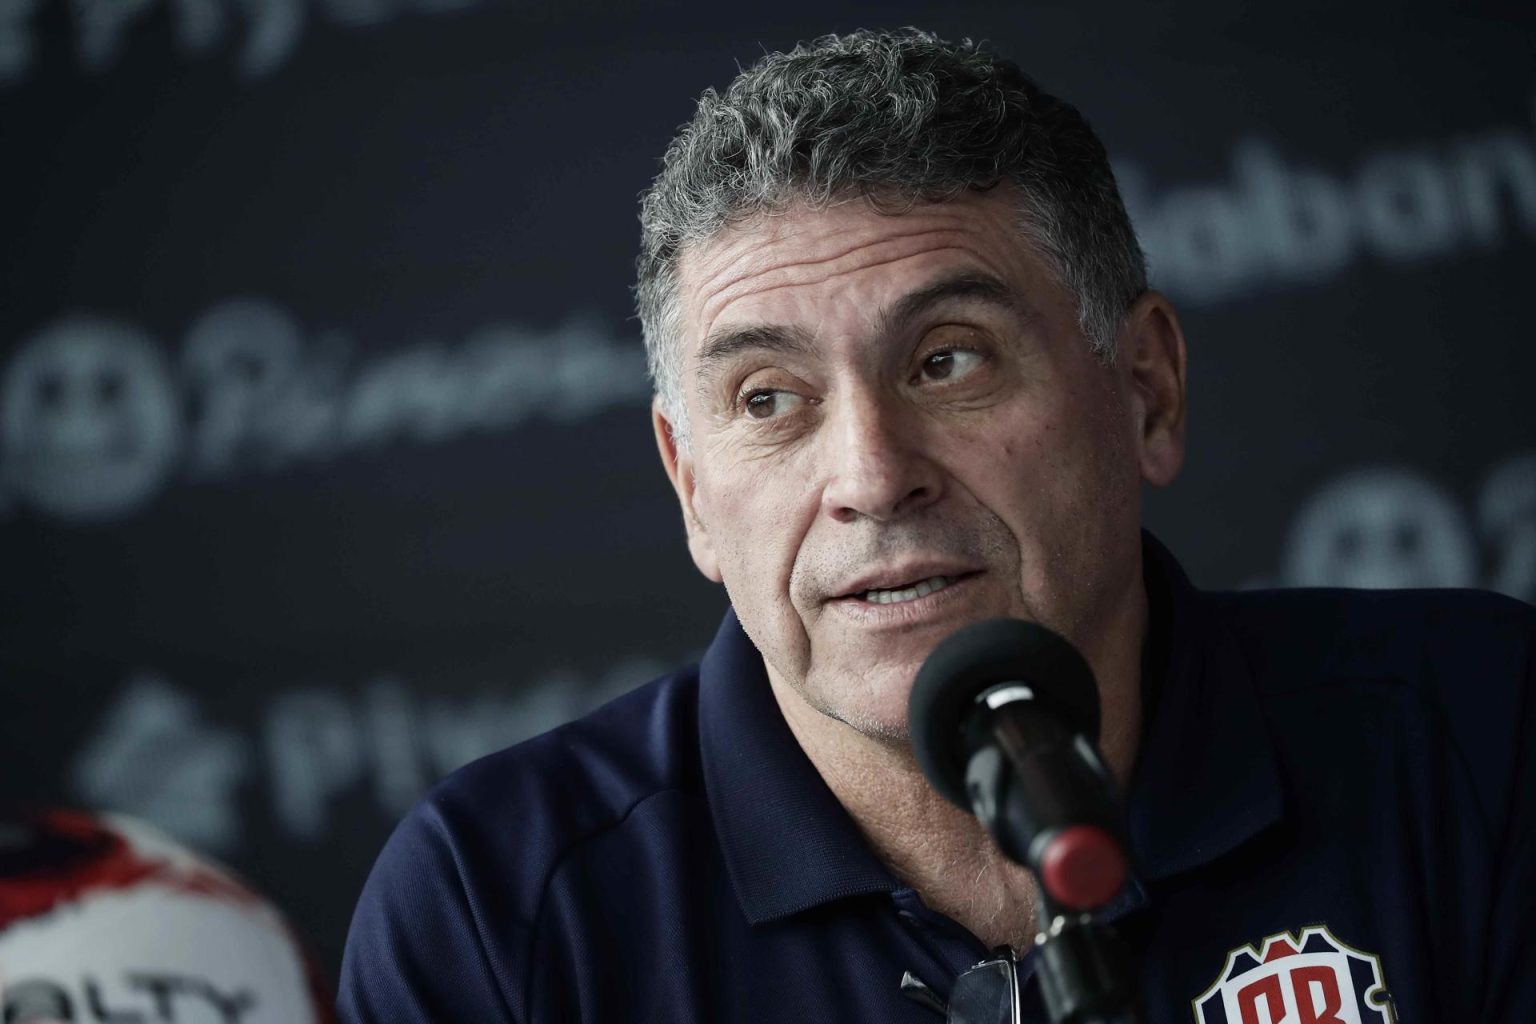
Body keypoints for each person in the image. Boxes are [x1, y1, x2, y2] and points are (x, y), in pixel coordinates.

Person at [337, 29, 1534, 1023]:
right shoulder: (497, 908)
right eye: (769, 400)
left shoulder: (1480, 738)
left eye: (947, 360)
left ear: (1146, 391)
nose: (870, 474)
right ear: (691, 487)